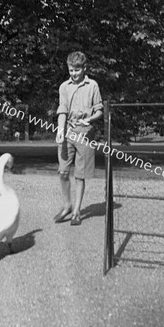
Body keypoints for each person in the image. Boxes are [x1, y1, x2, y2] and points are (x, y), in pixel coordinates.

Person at [54, 51, 103, 226]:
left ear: (84, 68)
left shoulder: (93, 86)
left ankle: (76, 212)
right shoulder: (64, 87)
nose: (73, 73)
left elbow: (99, 110)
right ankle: (67, 205)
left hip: (85, 134)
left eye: (76, 70)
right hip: (67, 133)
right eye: (71, 70)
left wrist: (89, 118)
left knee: (80, 175)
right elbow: (62, 110)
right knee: (63, 172)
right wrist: (60, 130)